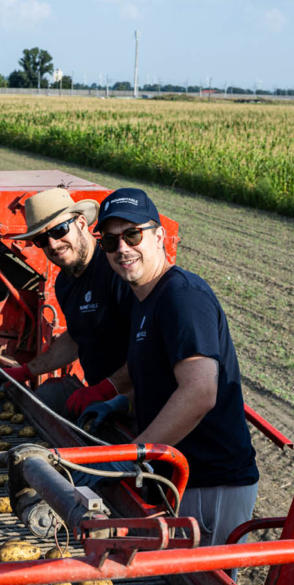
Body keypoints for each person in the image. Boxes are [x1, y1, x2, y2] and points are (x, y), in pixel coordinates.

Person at [89, 187, 259, 548]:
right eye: (110, 241)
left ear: (159, 236)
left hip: (210, 482)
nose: (122, 248)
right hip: (178, 477)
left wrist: (131, 455)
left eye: (133, 235)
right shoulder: (145, 298)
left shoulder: (182, 296)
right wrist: (122, 402)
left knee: (201, 582)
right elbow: (162, 379)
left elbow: (199, 392)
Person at [0, 187, 135, 486]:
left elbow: (149, 348)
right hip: (102, 406)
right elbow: (77, 336)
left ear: (81, 223)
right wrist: (27, 370)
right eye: (41, 239)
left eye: (59, 230)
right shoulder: (66, 282)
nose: (53, 244)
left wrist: (109, 390)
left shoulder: (117, 271)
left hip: (138, 405)